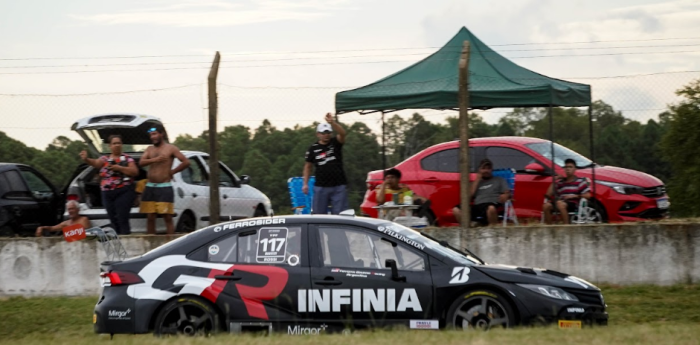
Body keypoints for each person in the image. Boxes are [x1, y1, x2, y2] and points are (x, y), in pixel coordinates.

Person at [79, 134, 138, 235]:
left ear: (122, 145)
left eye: (119, 143)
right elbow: (96, 163)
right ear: (109, 146)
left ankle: (125, 237)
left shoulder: (128, 159)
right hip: (107, 193)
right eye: (114, 143)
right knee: (112, 218)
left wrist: (119, 168)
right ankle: (117, 239)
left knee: (122, 217)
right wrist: (86, 159)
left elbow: (134, 172)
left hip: (124, 191)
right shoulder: (104, 159)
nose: (117, 145)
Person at [139, 125, 190, 235]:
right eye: (151, 135)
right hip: (150, 187)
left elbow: (186, 162)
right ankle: (151, 245)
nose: (153, 137)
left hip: (164, 187)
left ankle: (170, 243)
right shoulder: (149, 149)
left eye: (155, 134)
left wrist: (172, 172)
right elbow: (141, 162)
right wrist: (155, 159)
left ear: (162, 134)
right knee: (150, 217)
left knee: (167, 217)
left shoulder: (171, 148)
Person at [302, 112, 349, 215]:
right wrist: (305, 184)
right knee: (318, 215)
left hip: (338, 185)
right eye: (323, 133)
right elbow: (307, 166)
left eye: (328, 132)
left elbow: (342, 134)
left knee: (341, 215)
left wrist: (332, 122)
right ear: (318, 134)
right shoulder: (313, 148)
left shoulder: (335, 143)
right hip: (321, 186)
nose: (326, 135)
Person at [453, 158, 509, 226]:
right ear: (479, 170)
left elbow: (507, 193)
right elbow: (468, 198)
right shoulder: (475, 183)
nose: (486, 170)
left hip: (492, 204)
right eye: (484, 168)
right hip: (478, 206)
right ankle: (469, 227)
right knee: (456, 210)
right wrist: (477, 180)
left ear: (491, 170)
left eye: (488, 168)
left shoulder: (499, 180)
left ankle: (493, 228)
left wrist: (505, 195)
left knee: (491, 208)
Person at [543, 158, 592, 224]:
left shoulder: (580, 181)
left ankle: (566, 227)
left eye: (570, 167)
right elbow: (548, 194)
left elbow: (588, 195)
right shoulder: (561, 183)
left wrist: (574, 196)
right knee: (546, 206)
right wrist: (555, 179)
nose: (568, 169)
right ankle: (550, 228)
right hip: (560, 202)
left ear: (575, 169)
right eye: (566, 167)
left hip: (573, 203)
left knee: (560, 204)